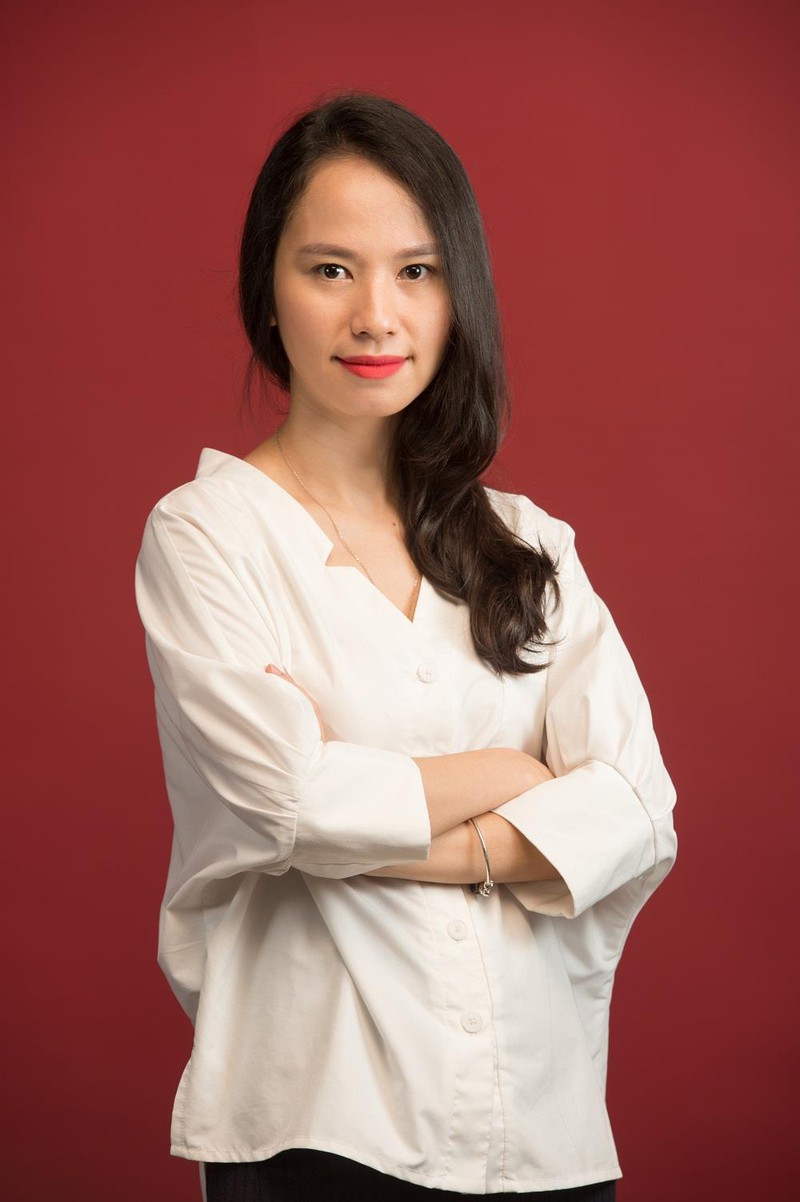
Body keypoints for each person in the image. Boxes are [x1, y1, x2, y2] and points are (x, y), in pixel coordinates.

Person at [134, 91, 678, 1202]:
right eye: (330, 269)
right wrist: (514, 776)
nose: (375, 315)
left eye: (416, 271)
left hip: (541, 1127)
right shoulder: (208, 535)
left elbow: (637, 807)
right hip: (318, 1122)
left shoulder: (529, 541)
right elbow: (287, 798)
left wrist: (363, 826)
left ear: (456, 292)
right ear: (266, 290)